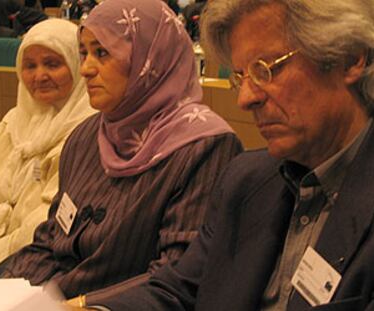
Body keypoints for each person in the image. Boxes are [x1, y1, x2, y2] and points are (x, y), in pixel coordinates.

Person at [85, 0, 374, 310]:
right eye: (240, 77)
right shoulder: (247, 180)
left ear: (348, 59)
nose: (245, 99)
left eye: (266, 70)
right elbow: (177, 291)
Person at [0, 0, 242, 307]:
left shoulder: (202, 146)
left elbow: (179, 273)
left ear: (150, 57)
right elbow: (50, 241)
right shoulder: (86, 135)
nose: (85, 69)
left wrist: (84, 304)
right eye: (84, 52)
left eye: (102, 53)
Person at [0, 18, 95, 270]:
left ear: (77, 66)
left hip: (27, 269)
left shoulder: (87, 133)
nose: (39, 75)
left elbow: (46, 224)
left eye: (52, 64)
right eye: (29, 65)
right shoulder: (12, 123)